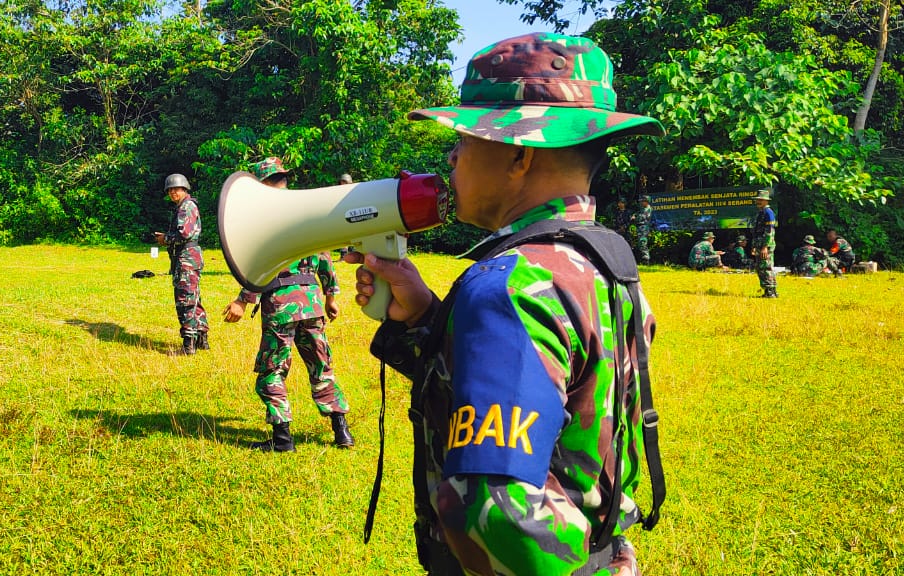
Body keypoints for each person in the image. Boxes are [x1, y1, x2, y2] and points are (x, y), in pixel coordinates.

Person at [347, 33, 663, 575]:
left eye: (465, 140)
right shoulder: (601, 259)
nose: (451, 157)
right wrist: (426, 319)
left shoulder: (507, 286)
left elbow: (501, 511)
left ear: (517, 153)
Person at [222, 157, 353, 452]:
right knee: (321, 365)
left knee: (272, 369)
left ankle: (282, 439)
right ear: (284, 178)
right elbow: (325, 256)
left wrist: (243, 301)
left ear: (261, 184)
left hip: (281, 304)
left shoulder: (265, 217)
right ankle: (342, 432)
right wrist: (330, 295)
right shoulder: (304, 210)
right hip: (312, 303)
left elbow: (260, 264)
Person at [153, 173, 208, 355]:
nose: (172, 193)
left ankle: (188, 346)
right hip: (189, 258)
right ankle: (201, 340)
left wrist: (164, 238)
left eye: (176, 189)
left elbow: (183, 235)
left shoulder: (186, 207)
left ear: (184, 189)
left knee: (185, 300)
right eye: (170, 190)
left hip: (186, 259)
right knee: (194, 299)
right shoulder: (185, 206)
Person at [751, 190, 778, 297]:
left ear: (766, 201)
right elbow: (757, 231)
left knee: (765, 268)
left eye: (761, 200)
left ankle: (770, 292)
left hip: (765, 245)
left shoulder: (768, 213)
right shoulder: (761, 213)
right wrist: (754, 246)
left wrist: (765, 247)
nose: (758, 202)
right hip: (759, 245)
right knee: (761, 267)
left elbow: (769, 232)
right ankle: (770, 291)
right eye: (758, 200)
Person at [634, 195, 653, 264]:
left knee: (643, 243)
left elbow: (641, 218)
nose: (641, 203)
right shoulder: (642, 209)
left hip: (644, 228)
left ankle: (646, 260)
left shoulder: (648, 209)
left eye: (643, 201)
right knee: (640, 244)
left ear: (646, 201)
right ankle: (643, 259)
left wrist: (635, 218)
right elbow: (637, 215)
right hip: (640, 228)